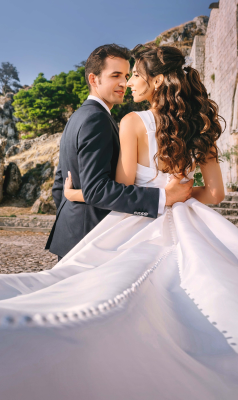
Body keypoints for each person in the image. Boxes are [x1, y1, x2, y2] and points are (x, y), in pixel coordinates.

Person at [45, 44, 193, 260]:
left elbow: (60, 184)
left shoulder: (78, 118)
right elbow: (97, 190)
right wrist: (163, 197)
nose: (124, 83)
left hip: (73, 234)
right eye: (116, 76)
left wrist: (71, 211)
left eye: (126, 75)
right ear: (94, 80)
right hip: (91, 240)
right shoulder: (97, 120)